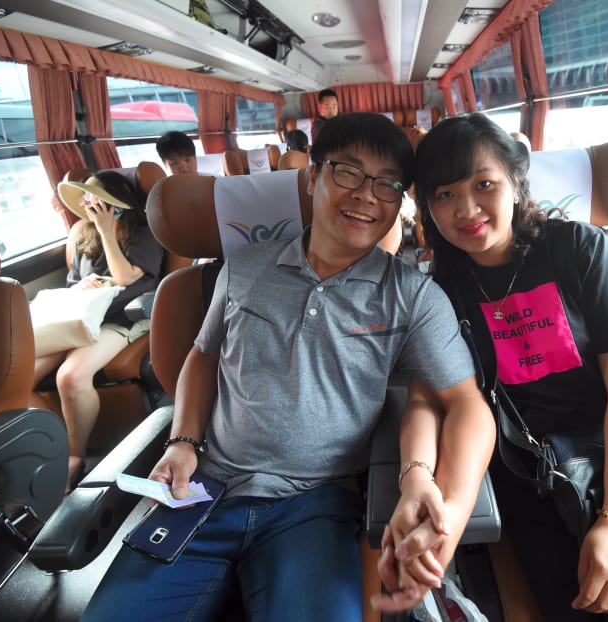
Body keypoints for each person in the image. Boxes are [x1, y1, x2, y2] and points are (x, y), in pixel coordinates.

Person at [81, 112, 494, 621]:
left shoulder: (411, 295)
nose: (367, 195)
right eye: (348, 172)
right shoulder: (245, 266)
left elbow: (467, 404)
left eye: (388, 185)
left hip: (315, 505)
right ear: (313, 176)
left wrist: (440, 504)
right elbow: (203, 356)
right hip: (203, 490)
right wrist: (183, 443)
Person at [412, 113, 608, 620]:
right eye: (444, 195)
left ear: (516, 182)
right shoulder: (441, 289)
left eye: (484, 185)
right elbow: (433, 396)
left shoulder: (579, 249)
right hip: (526, 469)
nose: (467, 209)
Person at [39, 170, 164, 492]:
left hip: (122, 316)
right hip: (81, 317)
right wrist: (83, 284)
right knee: (16, 377)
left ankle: (73, 457)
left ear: (114, 200)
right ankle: (46, 448)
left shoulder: (145, 231)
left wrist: (108, 232)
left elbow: (126, 279)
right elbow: (72, 281)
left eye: (94, 196)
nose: (87, 203)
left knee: (71, 376)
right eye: (85, 197)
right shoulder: (84, 234)